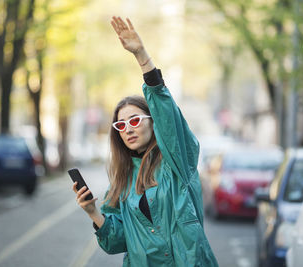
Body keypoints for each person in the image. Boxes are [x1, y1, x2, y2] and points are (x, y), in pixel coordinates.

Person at [72, 16, 219, 267]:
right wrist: (93, 212)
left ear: (153, 122)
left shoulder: (177, 164)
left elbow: (168, 116)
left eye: (135, 120)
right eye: (121, 125)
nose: (128, 129)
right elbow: (117, 241)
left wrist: (142, 57)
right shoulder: (121, 181)